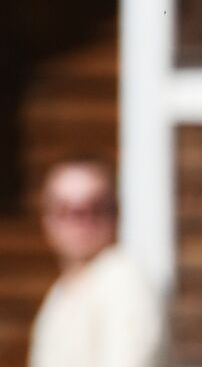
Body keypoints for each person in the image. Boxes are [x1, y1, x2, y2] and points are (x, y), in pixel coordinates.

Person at [29, 157, 164, 367]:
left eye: (95, 208)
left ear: (116, 212)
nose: (80, 221)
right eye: (65, 209)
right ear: (46, 217)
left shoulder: (122, 280)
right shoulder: (61, 291)